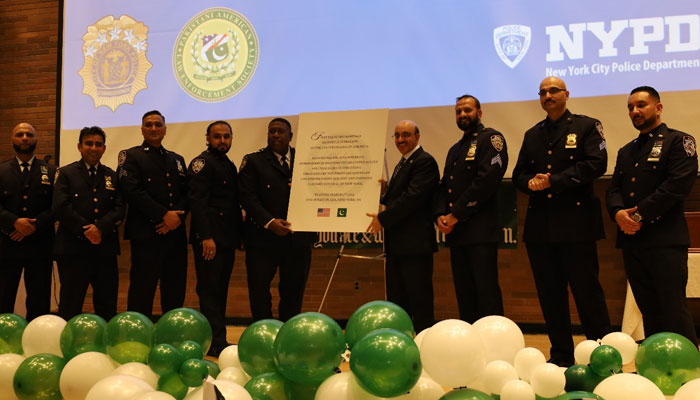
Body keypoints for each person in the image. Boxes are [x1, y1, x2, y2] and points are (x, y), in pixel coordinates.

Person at [512, 77, 611, 367]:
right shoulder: (532, 134)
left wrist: (552, 181)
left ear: (566, 94)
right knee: (550, 297)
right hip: (541, 229)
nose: (547, 95)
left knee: (587, 294)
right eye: (542, 92)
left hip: (577, 225)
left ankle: (601, 354)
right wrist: (530, 183)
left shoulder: (586, 126)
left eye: (553, 90)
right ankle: (562, 356)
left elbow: (596, 164)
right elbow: (518, 173)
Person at [606, 86, 698, 344]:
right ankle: (658, 367)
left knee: (673, 310)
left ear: (658, 108)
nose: (635, 111)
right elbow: (613, 190)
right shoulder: (627, 150)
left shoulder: (679, 141)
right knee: (649, 310)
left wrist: (637, 216)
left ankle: (688, 370)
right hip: (633, 241)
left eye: (641, 105)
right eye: (630, 107)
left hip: (665, 240)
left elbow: (676, 186)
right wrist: (618, 213)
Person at [433, 95, 508, 323]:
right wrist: (439, 216)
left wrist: (455, 214)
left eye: (467, 110)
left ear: (480, 113)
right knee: (464, 295)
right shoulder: (455, 148)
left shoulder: (491, 139)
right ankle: (471, 344)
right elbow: (444, 186)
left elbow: (486, 182)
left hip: (480, 231)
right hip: (458, 234)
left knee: (486, 293)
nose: (462, 115)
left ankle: (495, 345)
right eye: (458, 111)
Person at [238, 118, 315, 321]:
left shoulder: (306, 160)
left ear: (291, 136)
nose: (276, 135)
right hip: (263, 239)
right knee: (259, 289)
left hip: (297, 239)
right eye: (272, 131)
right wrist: (270, 222)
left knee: (294, 291)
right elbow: (247, 196)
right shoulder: (254, 161)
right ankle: (264, 333)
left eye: (281, 131)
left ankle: (288, 334)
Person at [366, 120, 440, 332]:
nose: (400, 140)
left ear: (417, 137)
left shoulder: (424, 161)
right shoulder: (403, 162)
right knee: (398, 303)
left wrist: (383, 218)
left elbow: (413, 198)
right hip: (398, 245)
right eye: (397, 135)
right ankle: (402, 344)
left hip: (415, 246)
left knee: (419, 301)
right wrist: (385, 191)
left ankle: (425, 345)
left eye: (406, 135)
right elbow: (400, 196)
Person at [117, 110, 188, 319]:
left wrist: (176, 219)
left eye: (158, 124)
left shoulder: (177, 159)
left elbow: (187, 193)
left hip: (175, 234)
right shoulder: (131, 155)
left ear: (165, 130)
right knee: (142, 290)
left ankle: (171, 335)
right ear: (142, 129)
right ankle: (137, 338)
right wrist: (163, 215)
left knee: (175, 290)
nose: (154, 128)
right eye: (149, 125)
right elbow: (131, 190)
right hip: (146, 234)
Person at [53, 126, 124, 321]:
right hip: (73, 249)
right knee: (70, 304)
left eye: (98, 145)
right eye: (89, 144)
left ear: (104, 148)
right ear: (79, 146)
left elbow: (119, 208)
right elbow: (60, 207)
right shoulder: (66, 173)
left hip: (104, 250)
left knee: (107, 305)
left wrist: (100, 228)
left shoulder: (111, 175)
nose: (94, 148)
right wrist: (87, 230)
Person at [187, 120, 243, 356]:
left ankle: (218, 339)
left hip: (226, 238)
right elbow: (197, 203)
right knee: (209, 290)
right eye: (217, 136)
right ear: (208, 138)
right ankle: (214, 341)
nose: (222, 140)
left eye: (226, 136)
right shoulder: (202, 163)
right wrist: (205, 237)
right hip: (210, 239)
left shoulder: (228, 164)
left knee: (220, 289)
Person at [0, 123, 55, 320]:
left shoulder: (50, 171)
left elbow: (56, 206)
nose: (25, 138)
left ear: (36, 140)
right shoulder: (2, 170)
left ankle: (37, 341)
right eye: (20, 134)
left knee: (39, 300)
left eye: (29, 134)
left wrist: (34, 225)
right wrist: (14, 222)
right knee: (3, 297)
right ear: (12, 139)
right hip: (8, 243)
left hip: (40, 245)